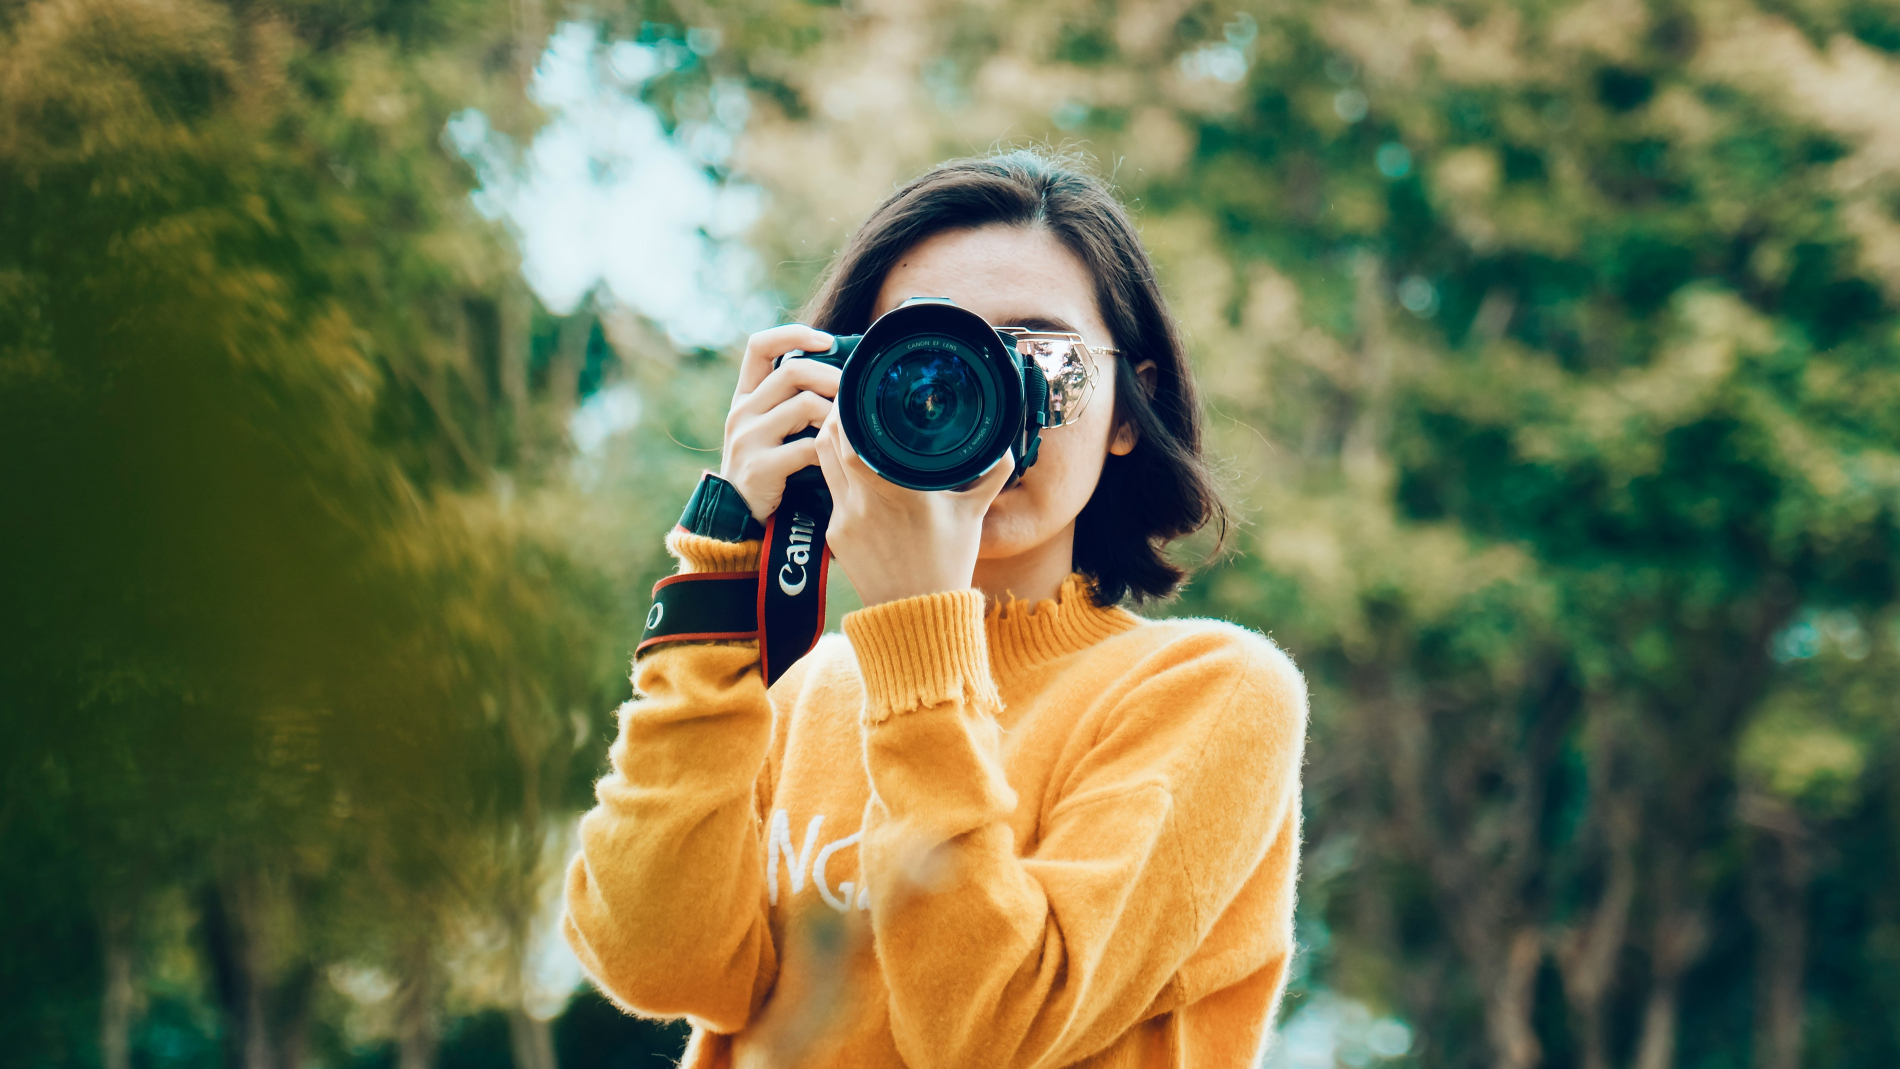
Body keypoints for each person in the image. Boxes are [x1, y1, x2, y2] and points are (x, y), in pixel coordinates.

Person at [563, 149, 1308, 1069]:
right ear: (840, 390)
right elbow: (655, 962)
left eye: (1040, 356)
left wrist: (921, 632)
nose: (979, 400)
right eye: (928, 359)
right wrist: (725, 561)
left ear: (1128, 407)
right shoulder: (802, 690)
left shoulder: (1210, 693)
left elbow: (990, 1031)